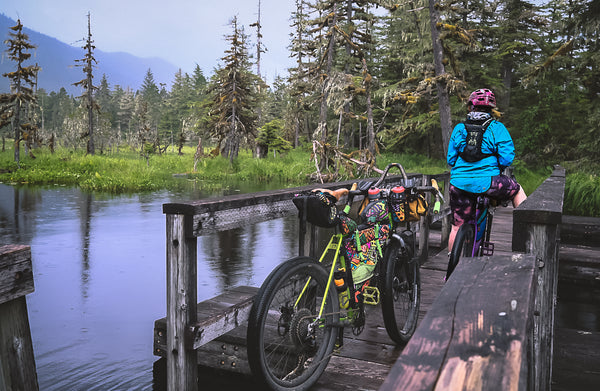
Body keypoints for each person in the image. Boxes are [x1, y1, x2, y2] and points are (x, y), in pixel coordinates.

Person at [446, 88, 527, 252]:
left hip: (458, 184)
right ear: (491, 109)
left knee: (456, 227)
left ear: (471, 107)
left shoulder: (459, 128)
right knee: (517, 190)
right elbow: (507, 158)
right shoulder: (497, 128)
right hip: (488, 183)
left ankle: (450, 267)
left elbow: (451, 159)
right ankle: (527, 230)